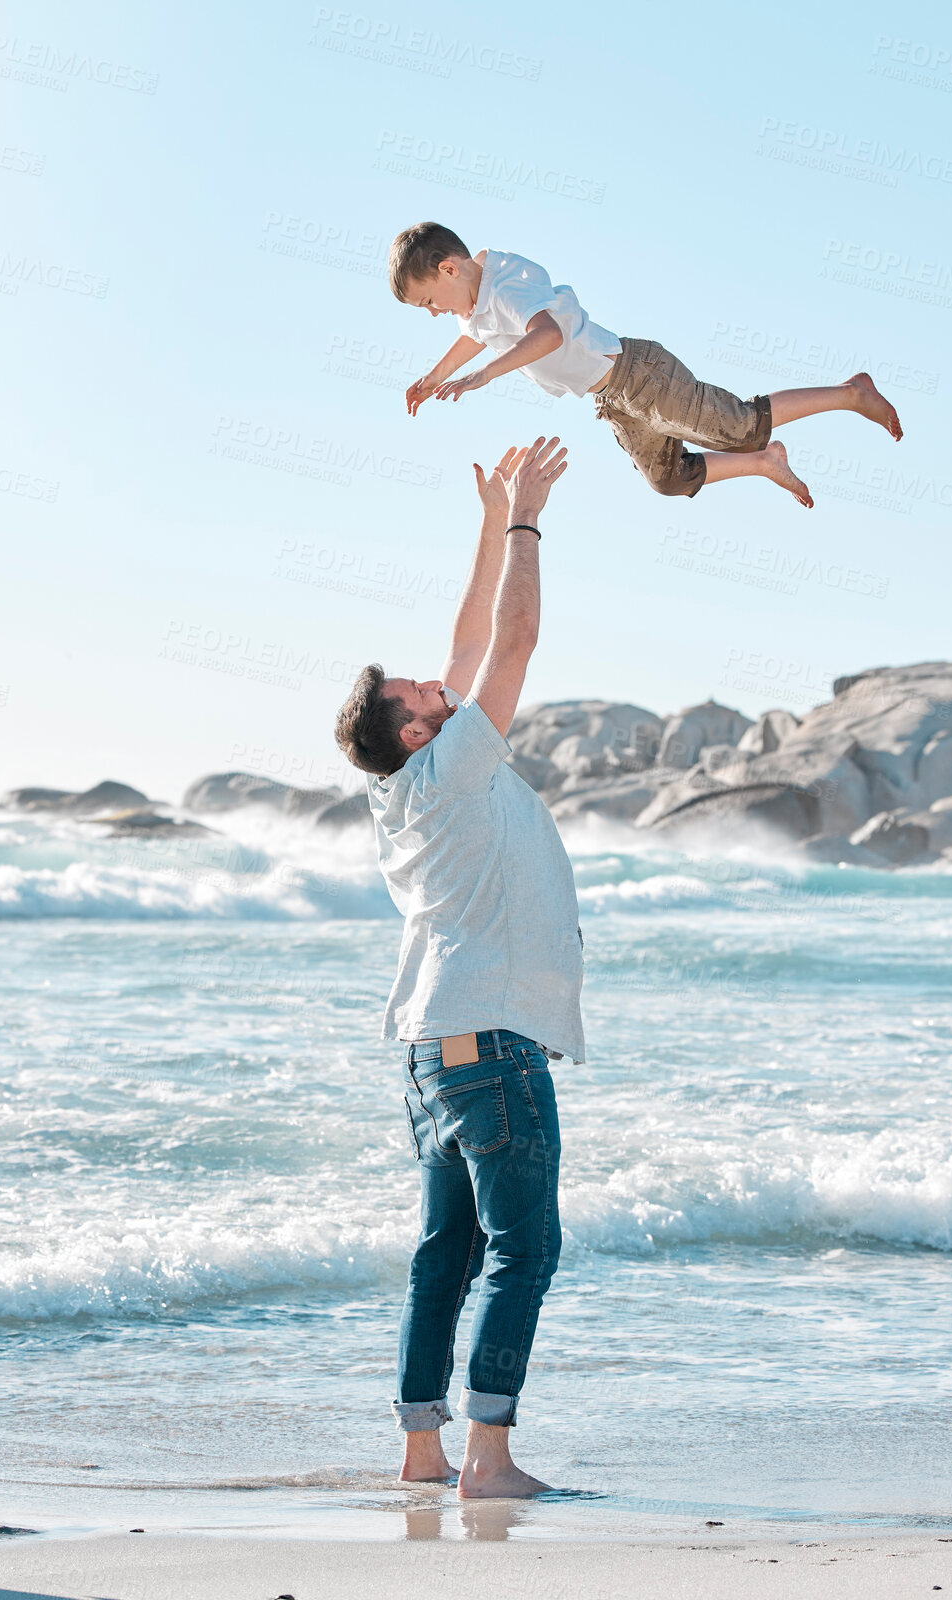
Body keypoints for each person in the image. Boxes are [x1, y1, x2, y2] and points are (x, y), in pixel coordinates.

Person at [334, 436, 580, 1498]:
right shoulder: (448, 771)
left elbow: (469, 635)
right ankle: (488, 1453)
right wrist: (528, 522)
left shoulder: (403, 784)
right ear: (416, 728)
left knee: (444, 1254)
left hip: (433, 1053)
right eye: (421, 689)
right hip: (491, 1050)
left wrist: (487, 521)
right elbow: (511, 640)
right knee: (523, 1250)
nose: (441, 679)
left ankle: (420, 1450)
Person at [388, 221, 904, 509]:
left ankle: (850, 392)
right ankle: (766, 461)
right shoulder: (474, 296)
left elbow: (547, 335)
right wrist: (434, 377)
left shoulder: (506, 287)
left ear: (448, 268)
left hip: (640, 374)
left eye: (429, 302)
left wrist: (484, 377)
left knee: (743, 426)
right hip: (615, 400)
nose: (436, 315)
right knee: (669, 480)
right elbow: (471, 336)